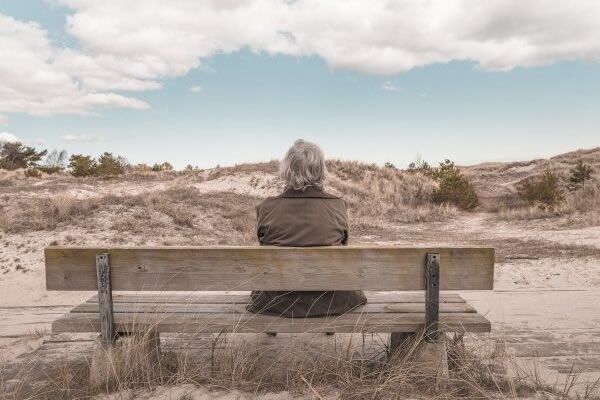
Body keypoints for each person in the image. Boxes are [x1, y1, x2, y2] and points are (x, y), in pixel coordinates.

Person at [246, 139, 367, 318]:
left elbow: (264, 246)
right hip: (331, 300)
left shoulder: (266, 207)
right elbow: (343, 246)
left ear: (287, 170)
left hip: (278, 302)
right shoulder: (338, 206)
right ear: (320, 170)